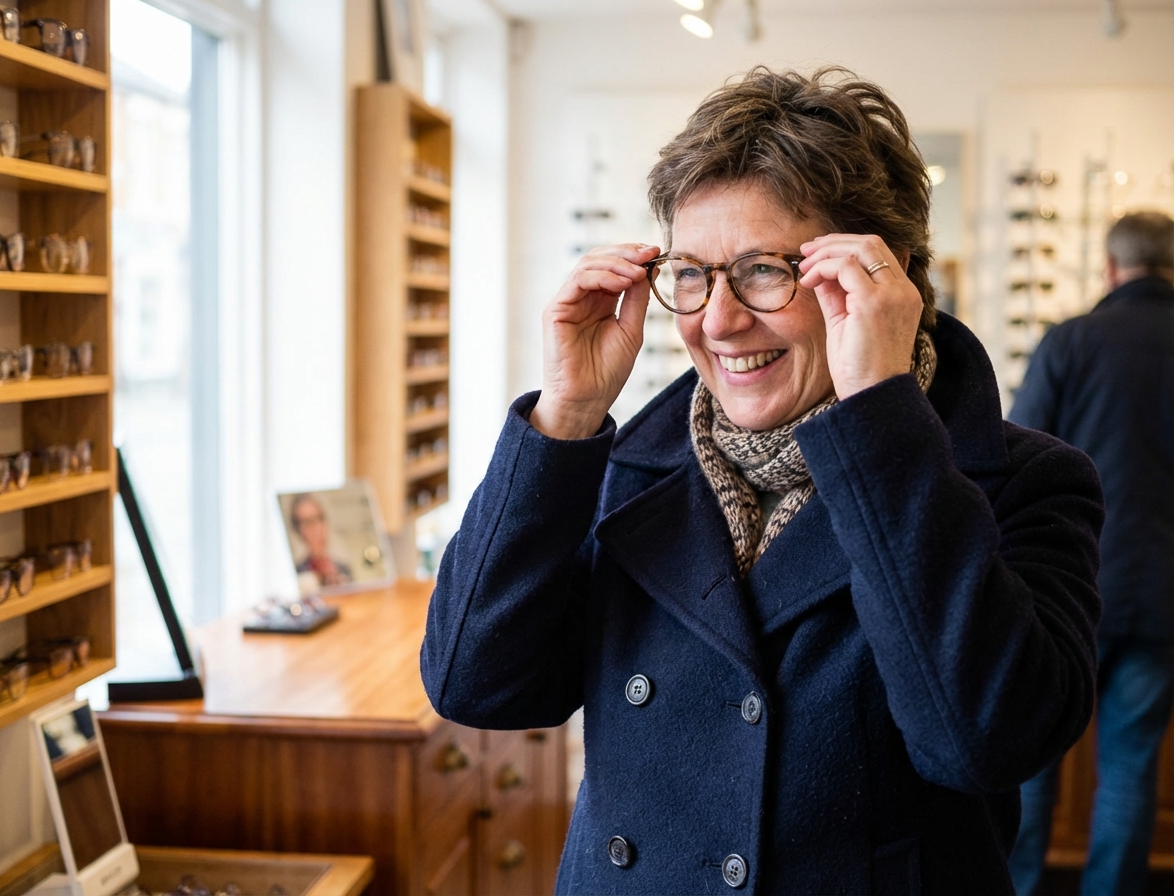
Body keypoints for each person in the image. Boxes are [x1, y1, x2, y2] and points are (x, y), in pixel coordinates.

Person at [421, 67, 1104, 894]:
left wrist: (880, 418)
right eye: (692, 273)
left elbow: (983, 741)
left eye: (763, 271)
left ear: (887, 277)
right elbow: (475, 683)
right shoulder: (632, 469)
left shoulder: (1025, 483)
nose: (719, 320)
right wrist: (565, 414)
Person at [1007, 211, 1174, 896]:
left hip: (1069, 584)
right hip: (1163, 594)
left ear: (1110, 268)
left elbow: (1015, 454)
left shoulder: (1070, 341)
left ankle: (1016, 887)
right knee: (1131, 769)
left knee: (1032, 755)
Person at [289, 493, 352, 588]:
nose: (317, 528)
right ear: (298, 530)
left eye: (320, 518)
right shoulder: (296, 574)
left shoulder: (343, 569)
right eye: (309, 522)